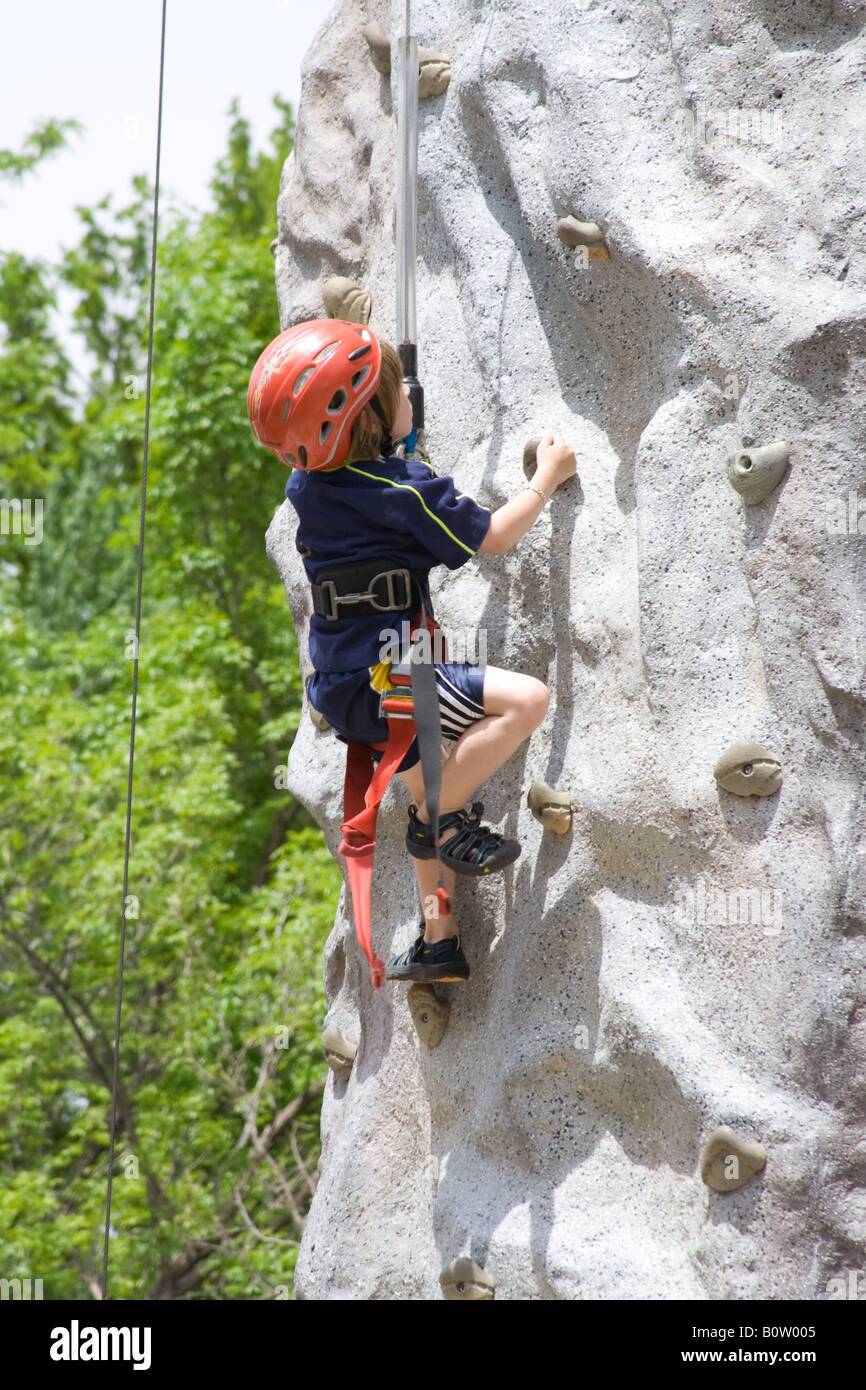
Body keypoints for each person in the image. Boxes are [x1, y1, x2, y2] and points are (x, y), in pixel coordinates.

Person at [248, 318, 577, 984]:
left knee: (428, 771)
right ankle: (436, 818)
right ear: (368, 417)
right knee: (527, 702)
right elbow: (494, 537)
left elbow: (367, 495)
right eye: (395, 391)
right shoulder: (407, 492)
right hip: (390, 679)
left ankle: (438, 936)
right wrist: (547, 476)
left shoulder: (308, 488)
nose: (409, 399)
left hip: (347, 689)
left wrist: (396, 445)